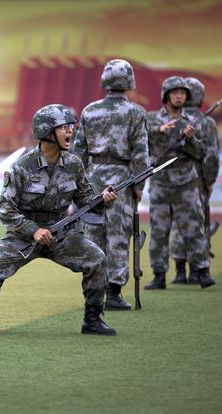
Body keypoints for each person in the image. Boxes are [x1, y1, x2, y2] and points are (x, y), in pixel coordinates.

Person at [0, 104, 118, 336]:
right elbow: (6, 210)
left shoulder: (74, 164)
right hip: (23, 235)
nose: (70, 132)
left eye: (70, 127)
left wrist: (104, 200)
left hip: (62, 233)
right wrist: (33, 230)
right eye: (63, 127)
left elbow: (87, 202)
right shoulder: (21, 167)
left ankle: (93, 319)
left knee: (97, 260)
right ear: (47, 132)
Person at [71, 59, 150, 310]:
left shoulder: (89, 110)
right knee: (118, 234)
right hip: (122, 178)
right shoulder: (136, 112)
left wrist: (77, 183)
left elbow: (78, 150)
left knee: (93, 234)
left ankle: (94, 290)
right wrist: (139, 185)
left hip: (92, 176)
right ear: (129, 81)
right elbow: (140, 152)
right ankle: (114, 293)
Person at [144, 76, 215, 289]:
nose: (179, 96)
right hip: (161, 181)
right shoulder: (152, 119)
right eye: (175, 92)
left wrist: (191, 139)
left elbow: (201, 152)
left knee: (193, 227)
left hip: (186, 181)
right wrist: (161, 131)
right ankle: (158, 275)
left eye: (183, 93)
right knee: (159, 230)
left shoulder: (193, 122)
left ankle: (202, 271)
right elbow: (141, 139)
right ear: (166, 95)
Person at [170, 77, 220, 284]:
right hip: (196, 180)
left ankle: (180, 271)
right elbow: (210, 156)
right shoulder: (206, 123)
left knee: (177, 224)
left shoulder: (174, 119)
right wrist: (209, 182)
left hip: (174, 178)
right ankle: (197, 271)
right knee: (195, 224)